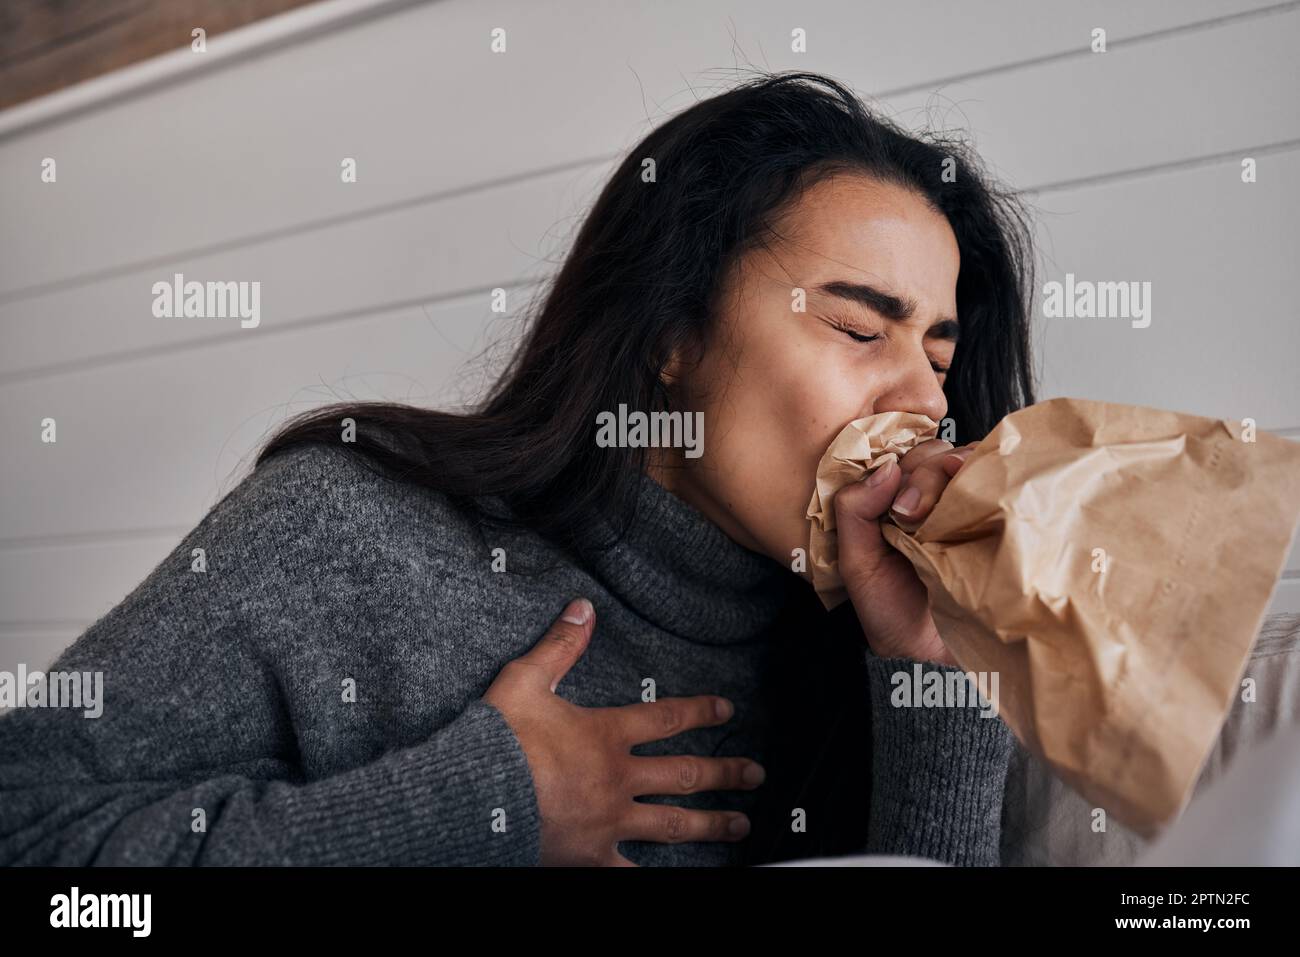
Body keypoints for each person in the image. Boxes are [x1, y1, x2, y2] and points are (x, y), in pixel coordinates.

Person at [0, 71, 1035, 867]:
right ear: (670, 336)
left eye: (939, 359)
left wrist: (934, 674)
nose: (926, 403)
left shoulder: (886, 647)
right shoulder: (349, 537)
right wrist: (476, 804)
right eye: (859, 327)